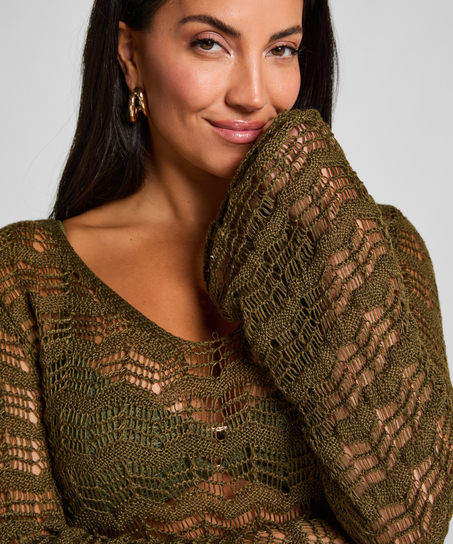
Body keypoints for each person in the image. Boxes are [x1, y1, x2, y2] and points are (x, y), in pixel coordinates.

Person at [0, 1, 451, 544]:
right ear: (131, 55)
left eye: (281, 49)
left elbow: (412, 527)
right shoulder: (24, 275)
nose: (254, 95)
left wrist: (331, 229)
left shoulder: (376, 248)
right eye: (210, 44)